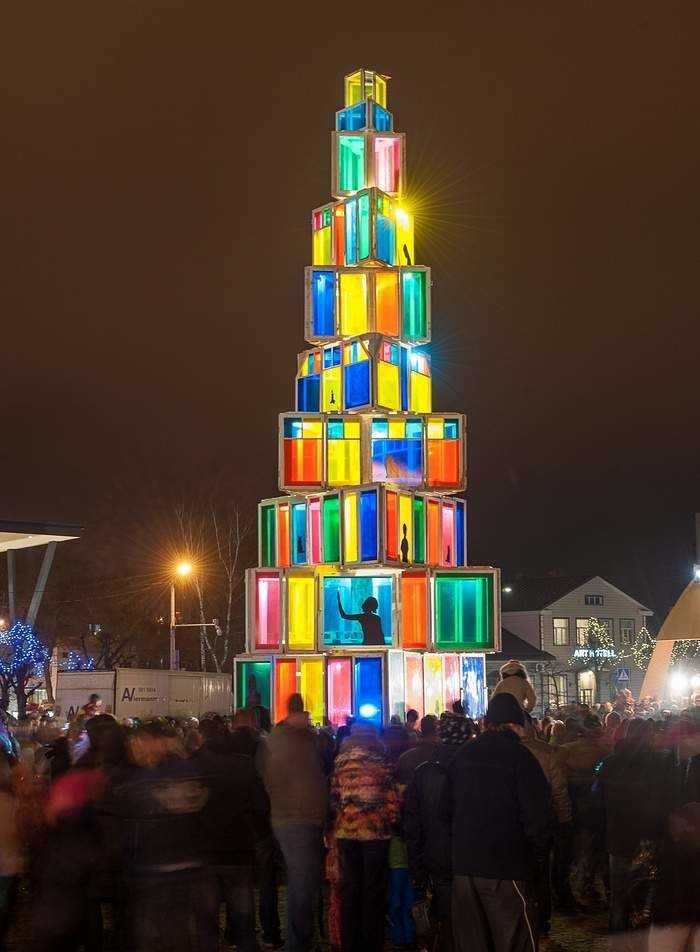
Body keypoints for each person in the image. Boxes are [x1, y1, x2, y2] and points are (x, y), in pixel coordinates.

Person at [445, 693, 550, 952]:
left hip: (465, 867)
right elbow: (538, 817)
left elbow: (444, 812)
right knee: (514, 940)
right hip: (507, 867)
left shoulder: (462, 755)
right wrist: (536, 858)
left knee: (473, 943)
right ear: (515, 724)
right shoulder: (521, 758)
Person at [259, 693, 328, 952]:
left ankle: (303, 938)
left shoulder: (276, 741)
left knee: (306, 881)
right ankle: (299, 942)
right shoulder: (299, 741)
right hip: (296, 818)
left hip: (294, 817)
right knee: (302, 881)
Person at [405, 713, 475, 952]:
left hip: (437, 858)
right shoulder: (478, 772)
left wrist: (416, 868)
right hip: (474, 859)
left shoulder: (424, 773)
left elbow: (413, 826)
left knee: (445, 919)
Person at [330, 720, 400, 952]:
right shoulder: (382, 762)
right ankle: (371, 942)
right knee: (373, 890)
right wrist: (390, 821)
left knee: (350, 889)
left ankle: (350, 941)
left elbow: (334, 797)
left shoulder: (341, 761)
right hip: (375, 833)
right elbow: (392, 802)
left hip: (346, 833)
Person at [521, 711, 572, 935]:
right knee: (542, 871)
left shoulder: (505, 752)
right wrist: (564, 818)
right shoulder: (545, 751)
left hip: (517, 822)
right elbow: (559, 789)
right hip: (543, 820)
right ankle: (542, 920)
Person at [396, 714, 440, 785]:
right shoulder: (442, 758)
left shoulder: (404, 758)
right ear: (437, 731)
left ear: (422, 729)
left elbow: (397, 785)